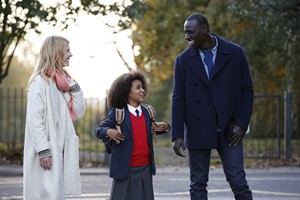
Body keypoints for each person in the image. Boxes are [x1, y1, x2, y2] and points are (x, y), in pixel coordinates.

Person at [171, 13, 254, 200]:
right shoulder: (182, 61)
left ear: (204, 29)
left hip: (230, 129)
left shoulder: (234, 53)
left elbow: (247, 90)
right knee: (198, 183)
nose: (186, 37)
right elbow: (178, 98)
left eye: (190, 32)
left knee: (237, 180)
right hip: (197, 128)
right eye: (185, 32)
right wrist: (177, 135)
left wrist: (241, 123)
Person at [23, 35, 85, 200]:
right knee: (43, 195)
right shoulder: (39, 83)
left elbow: (78, 113)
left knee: (56, 194)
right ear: (56, 53)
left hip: (61, 150)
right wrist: (43, 150)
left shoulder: (64, 83)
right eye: (67, 51)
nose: (71, 54)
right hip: (47, 152)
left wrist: (76, 90)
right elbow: (34, 120)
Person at [95, 71, 170, 200]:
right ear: (126, 92)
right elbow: (99, 130)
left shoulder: (148, 112)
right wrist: (109, 131)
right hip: (125, 169)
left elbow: (154, 129)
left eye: (142, 87)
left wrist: (166, 127)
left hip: (145, 169)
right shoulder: (118, 113)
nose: (142, 90)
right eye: (138, 87)